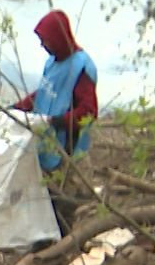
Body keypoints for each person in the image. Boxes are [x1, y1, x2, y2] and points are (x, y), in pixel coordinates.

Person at [11, 9, 99, 173]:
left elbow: (88, 112)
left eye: (45, 40)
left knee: (59, 190)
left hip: (67, 144)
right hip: (47, 137)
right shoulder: (51, 62)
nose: (42, 45)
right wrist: (17, 107)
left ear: (58, 39)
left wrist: (56, 121)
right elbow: (46, 91)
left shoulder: (82, 67)